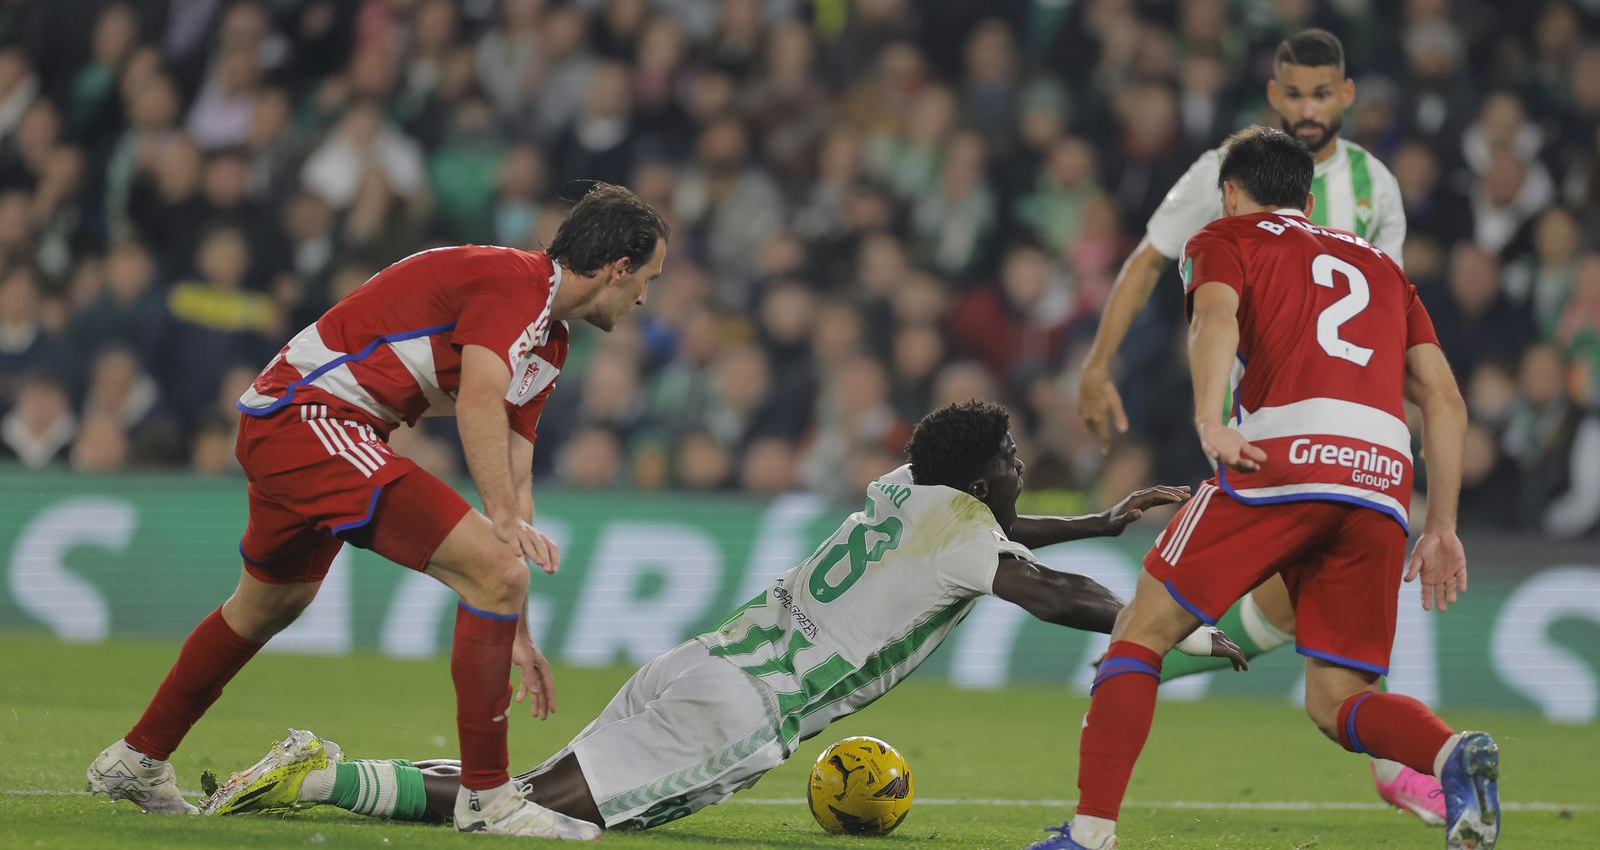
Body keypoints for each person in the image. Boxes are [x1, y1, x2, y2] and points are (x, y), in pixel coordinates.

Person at [200, 400, 1246, 831]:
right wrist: (1178, 633)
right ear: (980, 476)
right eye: (1012, 460)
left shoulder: (905, 493)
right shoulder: (974, 536)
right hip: (739, 715)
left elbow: (1009, 542)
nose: (1023, 470)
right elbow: (1046, 592)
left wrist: (1102, 520)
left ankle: (322, 772)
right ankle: (324, 772)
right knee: (530, 826)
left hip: (698, 664)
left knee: (512, 796)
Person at [86, 183, 671, 840]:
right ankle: (488, 801)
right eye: (648, 277)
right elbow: (479, 401)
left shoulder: (550, 339)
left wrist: (517, 622)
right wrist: (501, 530)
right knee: (490, 571)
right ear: (617, 269)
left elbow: (514, 472)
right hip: (311, 418)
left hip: (302, 426)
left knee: (267, 607)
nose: (645, 295)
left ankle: (136, 759)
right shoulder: (514, 281)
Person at [1031, 128, 1497, 850]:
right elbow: (1444, 399)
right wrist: (1442, 523)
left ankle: (1088, 835)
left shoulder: (1226, 237)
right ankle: (1449, 752)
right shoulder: (1382, 268)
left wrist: (1210, 420)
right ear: (1309, 199)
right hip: (1381, 481)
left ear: (1231, 191)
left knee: (1140, 633)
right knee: (1338, 699)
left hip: (1279, 459)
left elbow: (1214, 319)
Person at [1075, 28, 1439, 820]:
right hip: (1325, 435)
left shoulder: (1372, 188)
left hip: (1279, 434)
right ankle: (1410, 751)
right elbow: (1149, 261)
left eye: (1322, 94)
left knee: (1161, 618)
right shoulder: (1223, 171)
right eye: (1295, 94)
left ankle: (1128, 708)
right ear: (1276, 97)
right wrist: (1099, 364)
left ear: (1346, 97)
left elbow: (1226, 314)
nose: (1308, 108)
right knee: (1301, 624)